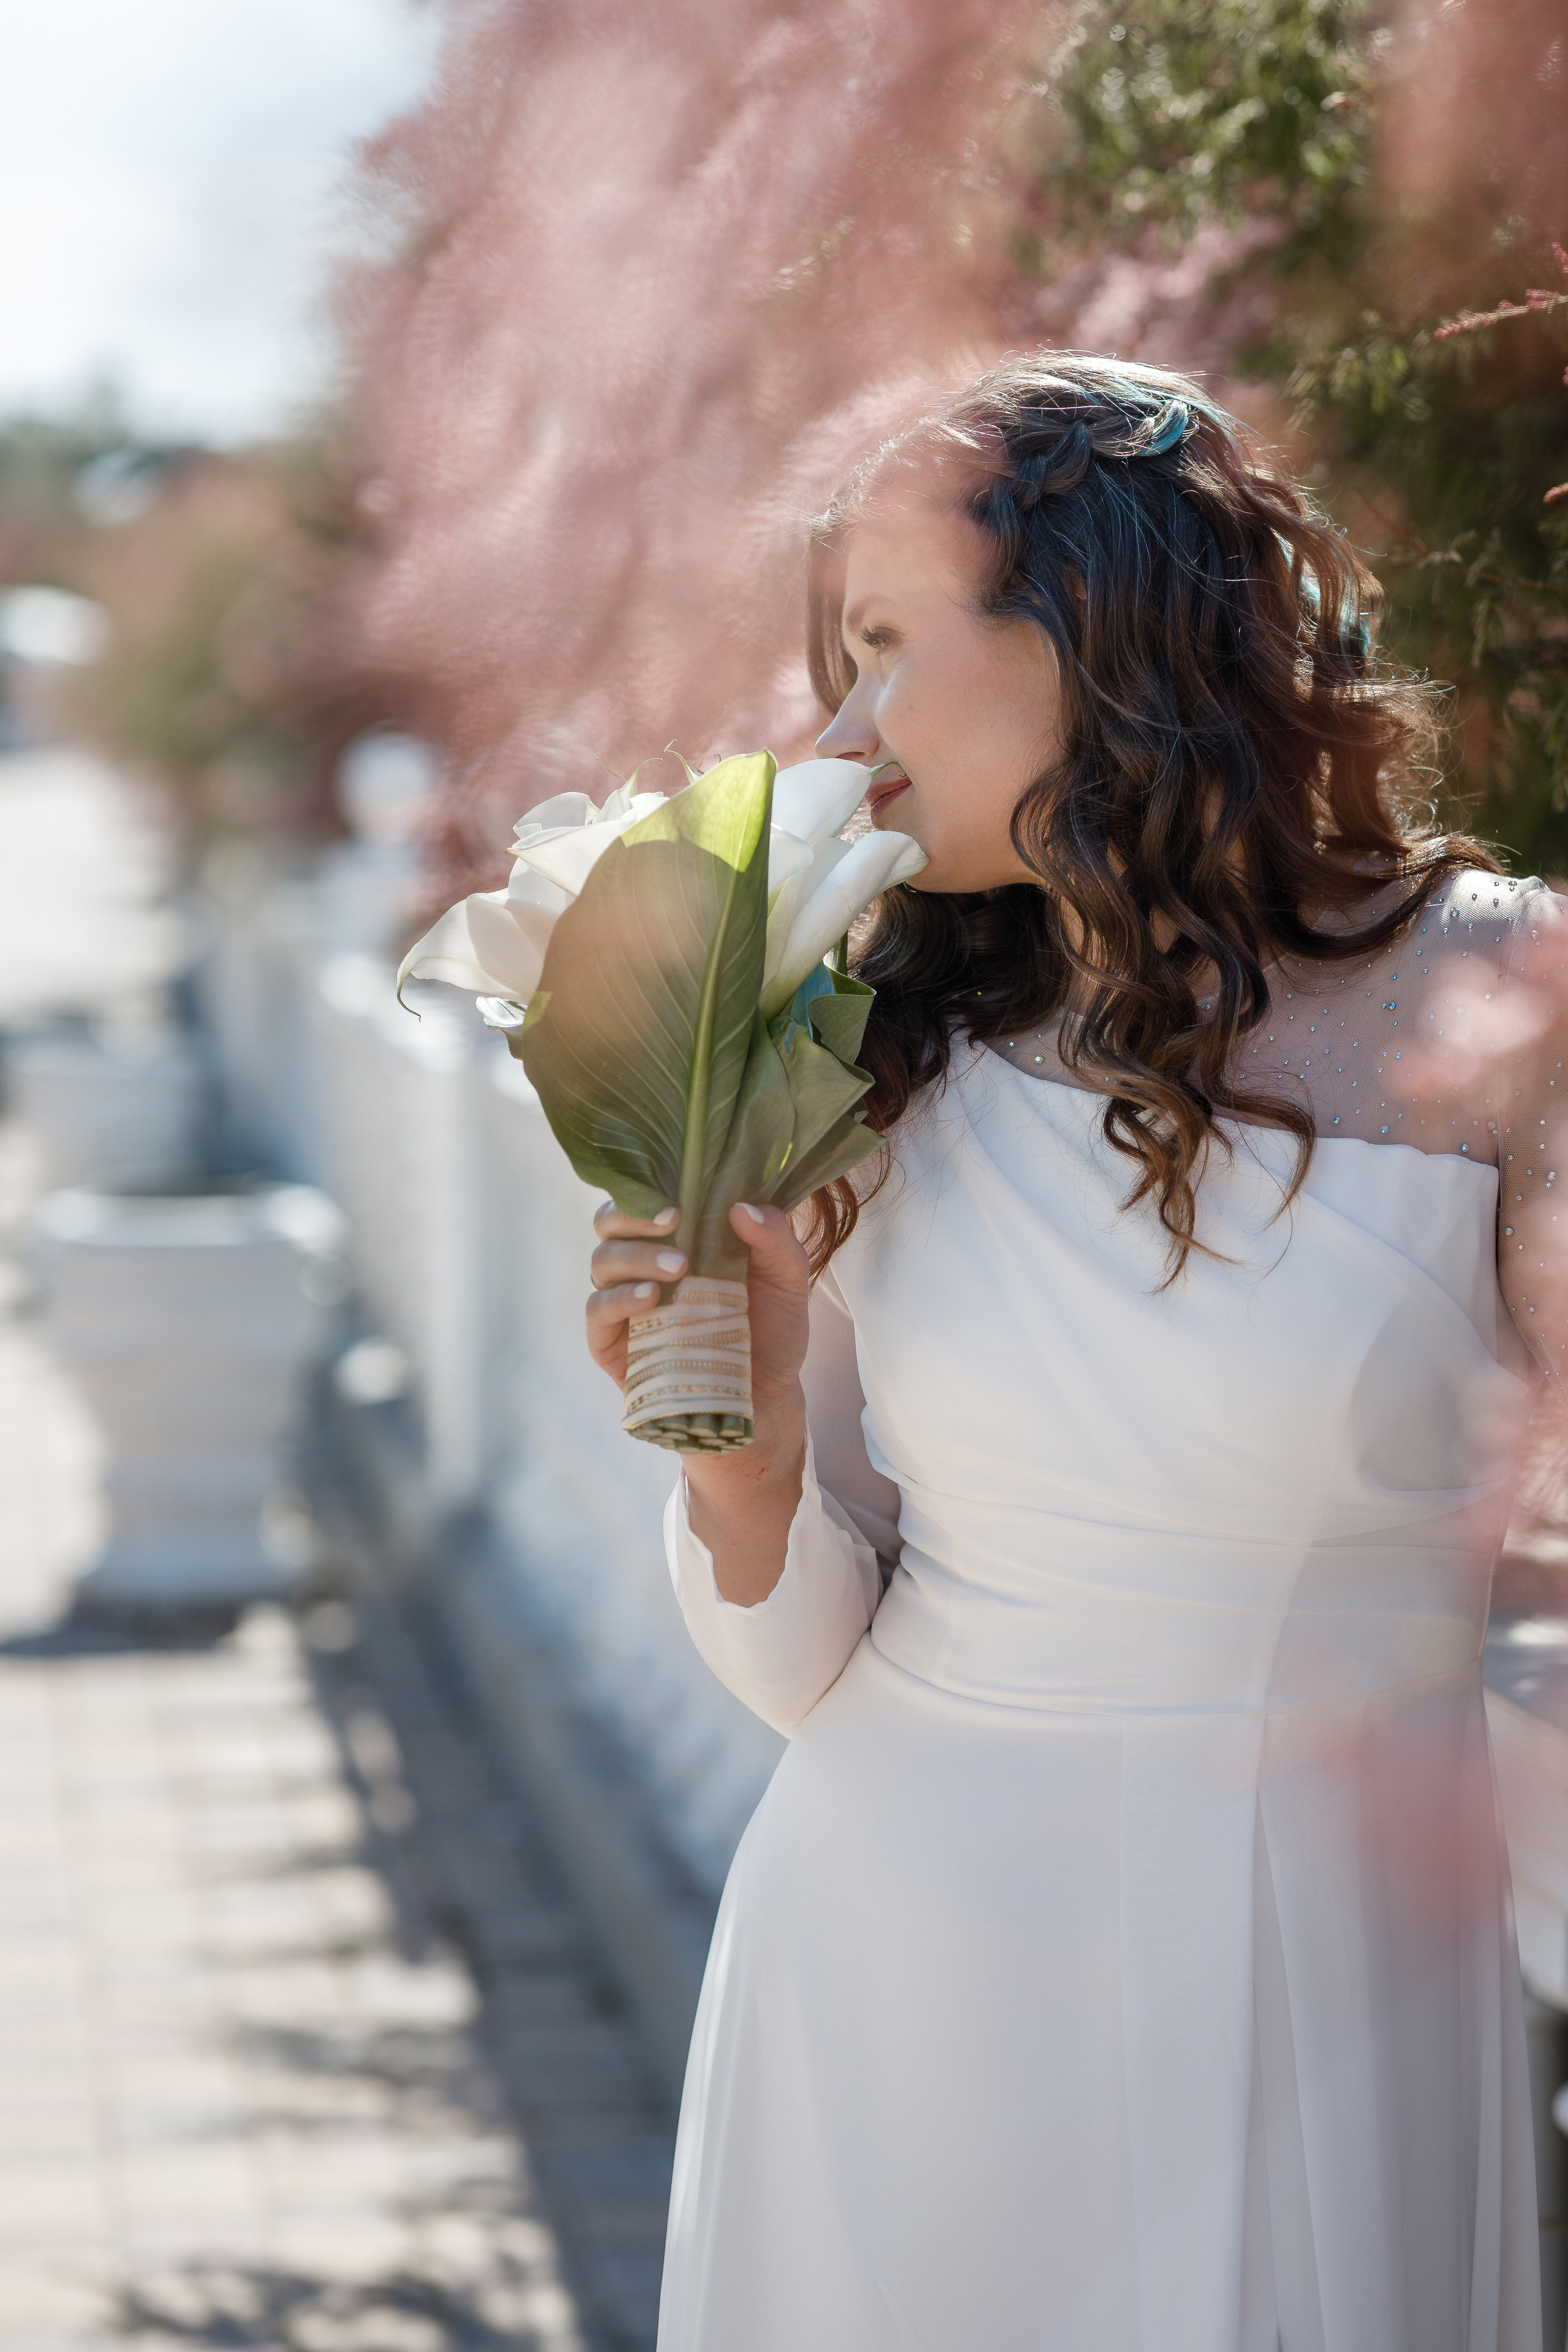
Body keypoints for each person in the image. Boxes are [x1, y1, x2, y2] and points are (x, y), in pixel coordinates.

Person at [585, 355, 1564, 2351]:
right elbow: (805, 1670)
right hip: (897, 1971)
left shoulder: (1505, 1006)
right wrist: (739, 1456)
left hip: (1329, 1984)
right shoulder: (869, 1046)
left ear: (1095, 623)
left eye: (884, 647)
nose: (836, 738)